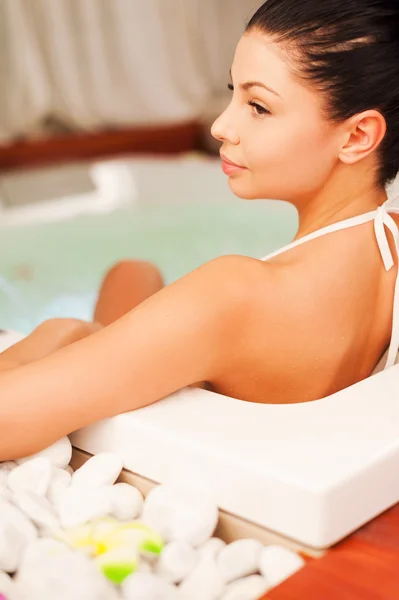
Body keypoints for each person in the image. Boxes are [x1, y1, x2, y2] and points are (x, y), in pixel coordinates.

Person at [1, 0, 399, 460]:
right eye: (232, 93)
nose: (220, 125)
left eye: (258, 106)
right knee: (132, 271)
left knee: (61, 329)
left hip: (190, 446)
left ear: (356, 137)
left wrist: (45, 341)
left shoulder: (236, 294)